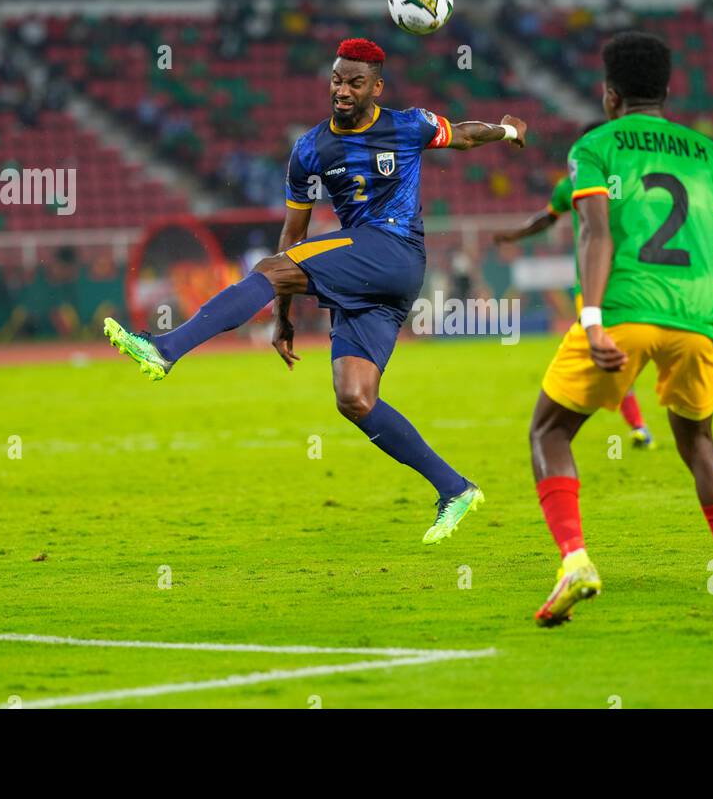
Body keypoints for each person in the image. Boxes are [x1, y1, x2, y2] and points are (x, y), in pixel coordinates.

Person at [103, 38, 528, 545]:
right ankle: (454, 487)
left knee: (268, 267)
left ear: (376, 87)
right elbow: (293, 236)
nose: (342, 90)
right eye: (336, 79)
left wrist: (507, 129)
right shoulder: (310, 150)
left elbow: (464, 135)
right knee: (354, 397)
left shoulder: (408, 124)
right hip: (371, 279)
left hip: (393, 250)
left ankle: (165, 348)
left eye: (354, 82)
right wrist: (282, 316)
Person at [528, 31, 713, 626]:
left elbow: (596, 233)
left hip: (627, 312)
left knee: (549, 432)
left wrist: (592, 320)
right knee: (700, 444)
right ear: (666, 90)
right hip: (700, 320)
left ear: (610, 95)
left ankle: (576, 559)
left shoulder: (595, 147)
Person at [493, 123, 657, 450]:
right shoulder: (575, 185)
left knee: (612, 356)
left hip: (628, 281)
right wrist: (515, 234)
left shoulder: (632, 179)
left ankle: (563, 427)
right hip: (607, 285)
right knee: (615, 355)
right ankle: (638, 424)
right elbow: (547, 218)